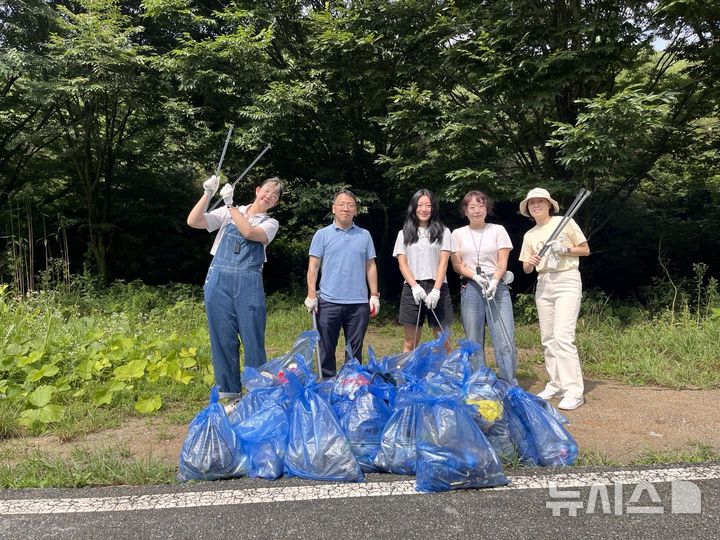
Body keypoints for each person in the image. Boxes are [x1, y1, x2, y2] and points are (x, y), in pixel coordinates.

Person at [187, 174, 283, 403]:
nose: (269, 196)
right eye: (267, 190)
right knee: (222, 338)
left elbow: (249, 233)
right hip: (219, 279)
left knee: (253, 338)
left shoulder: (270, 223)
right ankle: (230, 394)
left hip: (249, 283)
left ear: (276, 203)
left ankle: (256, 394)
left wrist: (230, 205)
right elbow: (194, 221)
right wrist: (207, 193)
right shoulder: (231, 211)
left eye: (275, 195)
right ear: (258, 190)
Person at [518, 187, 590, 411]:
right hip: (544, 283)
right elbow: (527, 269)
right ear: (528, 209)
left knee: (562, 337)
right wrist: (531, 260)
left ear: (549, 204)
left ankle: (573, 391)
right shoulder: (529, 235)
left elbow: (585, 250)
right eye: (532, 203)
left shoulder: (565, 222)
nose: (536, 205)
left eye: (540, 201)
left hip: (567, 280)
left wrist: (565, 248)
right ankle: (556, 383)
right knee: (548, 337)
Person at [304, 190, 380, 379]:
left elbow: (371, 265)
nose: (346, 208)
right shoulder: (322, 235)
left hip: (358, 302)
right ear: (334, 208)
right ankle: (328, 383)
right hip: (329, 301)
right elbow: (313, 266)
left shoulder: (365, 235)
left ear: (355, 210)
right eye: (341, 204)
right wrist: (311, 294)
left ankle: (351, 383)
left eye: (350, 205)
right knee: (326, 347)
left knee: (354, 349)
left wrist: (374, 295)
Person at [451, 190, 518, 384]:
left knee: (504, 337)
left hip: (497, 286)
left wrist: (495, 280)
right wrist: (474, 276)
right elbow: (457, 265)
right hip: (471, 286)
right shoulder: (457, 234)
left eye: (481, 205)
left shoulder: (498, 230)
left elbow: (502, 262)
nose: (477, 210)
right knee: (473, 338)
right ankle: (478, 381)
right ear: (465, 211)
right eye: (472, 207)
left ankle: (508, 380)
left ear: (487, 208)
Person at [393, 189, 454, 352]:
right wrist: (414, 286)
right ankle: (405, 376)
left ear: (433, 208)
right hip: (412, 289)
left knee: (444, 341)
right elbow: (402, 264)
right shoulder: (403, 233)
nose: (424, 209)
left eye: (428, 205)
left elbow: (443, 263)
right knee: (410, 342)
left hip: (438, 287)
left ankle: (448, 376)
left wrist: (436, 290)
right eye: (420, 205)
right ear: (413, 207)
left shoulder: (444, 231)